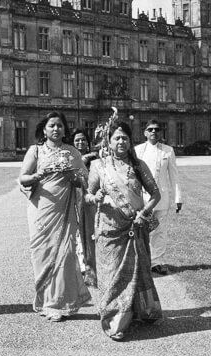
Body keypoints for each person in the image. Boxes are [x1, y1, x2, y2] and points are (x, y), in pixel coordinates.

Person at [85, 118, 164, 341]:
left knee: (138, 271)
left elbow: (156, 195)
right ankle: (114, 319)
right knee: (112, 276)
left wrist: (143, 213)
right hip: (109, 231)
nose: (121, 141)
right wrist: (96, 196)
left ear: (130, 141)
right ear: (108, 142)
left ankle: (141, 311)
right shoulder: (98, 166)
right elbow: (87, 196)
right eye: (116, 138)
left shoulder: (138, 166)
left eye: (125, 138)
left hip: (134, 226)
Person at [18, 111, 91, 321]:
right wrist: (36, 175)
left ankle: (57, 303)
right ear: (44, 129)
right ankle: (44, 300)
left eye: (60, 125)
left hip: (64, 208)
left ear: (64, 129)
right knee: (41, 254)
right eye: (52, 126)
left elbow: (86, 180)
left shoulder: (72, 152)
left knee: (65, 255)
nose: (56, 129)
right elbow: (23, 178)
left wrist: (76, 178)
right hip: (40, 209)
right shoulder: (36, 151)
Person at [134, 119, 182, 275]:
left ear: (160, 132)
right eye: (150, 129)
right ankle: (141, 261)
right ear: (145, 132)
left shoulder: (168, 151)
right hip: (143, 198)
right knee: (141, 230)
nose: (153, 132)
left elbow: (174, 176)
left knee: (160, 230)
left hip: (162, 198)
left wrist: (178, 198)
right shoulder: (138, 150)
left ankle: (157, 262)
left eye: (156, 129)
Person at [71, 128, 99, 285]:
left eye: (83, 140)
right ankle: (81, 265)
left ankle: (91, 265)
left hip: (90, 198)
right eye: (77, 140)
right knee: (77, 231)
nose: (80, 143)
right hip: (74, 198)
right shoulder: (68, 157)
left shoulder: (95, 158)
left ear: (88, 143)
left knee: (91, 230)